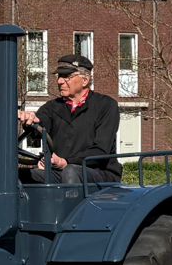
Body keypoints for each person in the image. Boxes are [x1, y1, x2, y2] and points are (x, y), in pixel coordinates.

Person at [18, 52, 121, 182]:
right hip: (60, 171)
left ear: (85, 80)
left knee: (71, 172)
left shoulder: (106, 106)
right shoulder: (51, 107)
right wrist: (31, 122)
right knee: (18, 176)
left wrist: (66, 162)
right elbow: (40, 126)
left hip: (99, 173)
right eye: (59, 76)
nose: (60, 81)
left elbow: (101, 150)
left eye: (67, 76)